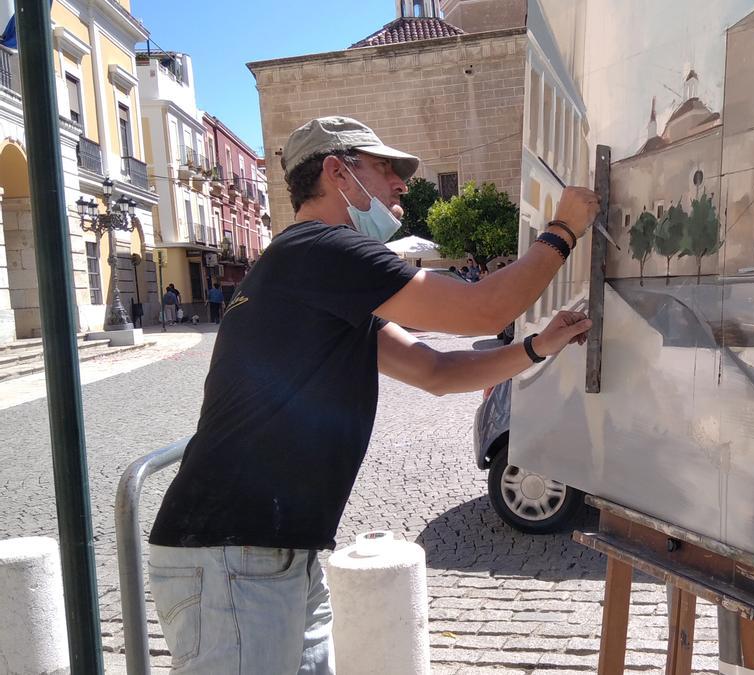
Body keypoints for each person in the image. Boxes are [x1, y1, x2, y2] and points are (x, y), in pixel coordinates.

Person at [146, 115, 598, 674]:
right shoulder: (320, 251)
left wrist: (535, 348)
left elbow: (433, 370)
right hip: (231, 553)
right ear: (338, 173)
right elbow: (480, 310)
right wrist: (564, 230)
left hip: (275, 554)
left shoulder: (316, 273)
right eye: (385, 170)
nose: (402, 185)